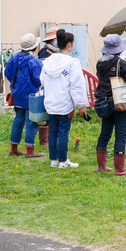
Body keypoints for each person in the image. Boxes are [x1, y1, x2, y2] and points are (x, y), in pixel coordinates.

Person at [40, 31, 89, 168]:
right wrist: (81, 105)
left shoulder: (47, 62)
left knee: (53, 131)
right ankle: (63, 161)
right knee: (63, 132)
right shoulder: (72, 62)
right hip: (65, 103)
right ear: (69, 45)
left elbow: (42, 80)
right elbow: (76, 86)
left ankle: (54, 160)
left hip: (50, 103)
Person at [94, 34, 126, 175]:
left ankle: (102, 166)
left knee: (105, 133)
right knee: (120, 134)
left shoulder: (100, 62)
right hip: (119, 102)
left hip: (104, 103)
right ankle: (120, 169)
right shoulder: (121, 63)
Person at [4, 33, 45, 158]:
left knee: (18, 120)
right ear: (34, 47)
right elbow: (39, 80)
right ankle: (30, 150)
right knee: (32, 121)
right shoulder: (34, 61)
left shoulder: (13, 59)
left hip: (17, 94)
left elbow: (7, 73)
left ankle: (14, 148)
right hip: (31, 95)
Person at [36, 27, 61, 147]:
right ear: (53, 40)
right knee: (46, 112)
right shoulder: (44, 52)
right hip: (47, 85)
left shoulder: (56, 51)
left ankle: (51, 137)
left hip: (54, 85)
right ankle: (44, 140)